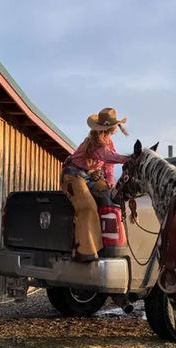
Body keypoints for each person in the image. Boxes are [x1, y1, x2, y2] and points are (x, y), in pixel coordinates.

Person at [61, 107, 128, 263]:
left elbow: (108, 166)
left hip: (90, 176)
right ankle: (85, 251)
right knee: (87, 206)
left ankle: (104, 243)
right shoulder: (93, 144)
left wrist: (110, 182)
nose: (105, 133)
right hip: (73, 176)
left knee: (109, 196)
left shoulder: (109, 143)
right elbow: (107, 156)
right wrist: (129, 159)